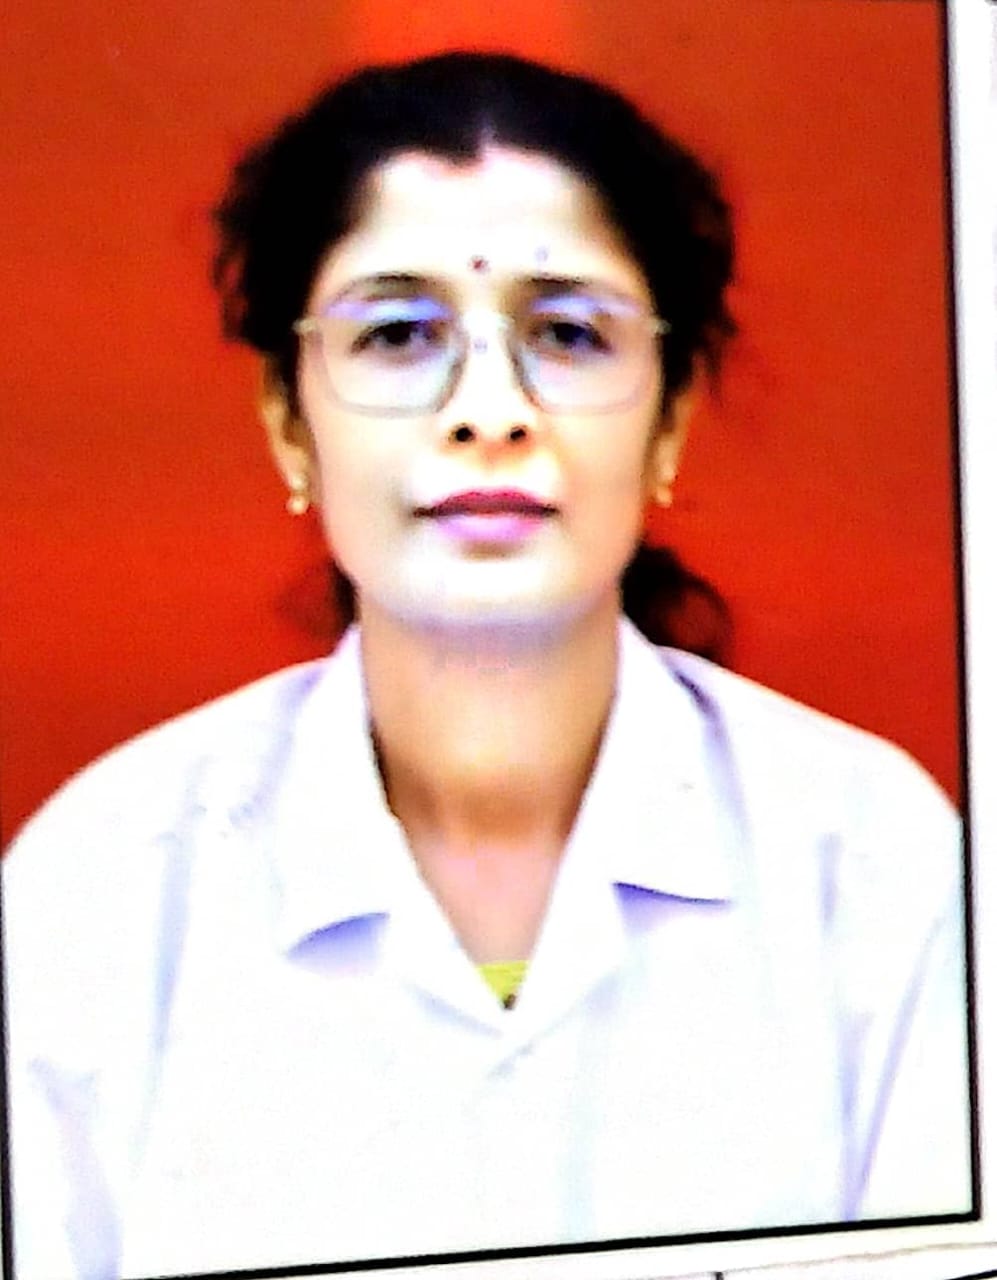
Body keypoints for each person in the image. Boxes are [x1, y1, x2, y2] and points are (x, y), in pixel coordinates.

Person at [1, 50, 971, 1280]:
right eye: (397, 333)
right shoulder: (99, 895)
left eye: (566, 332)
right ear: (288, 422)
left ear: (669, 418)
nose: (489, 410)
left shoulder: (877, 872)